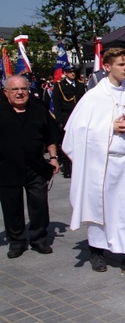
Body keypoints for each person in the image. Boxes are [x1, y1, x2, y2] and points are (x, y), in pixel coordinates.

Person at [62, 48, 125, 276]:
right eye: (120, 64)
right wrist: (110, 127)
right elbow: (76, 131)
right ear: (107, 67)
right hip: (104, 163)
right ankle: (97, 251)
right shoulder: (94, 97)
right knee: (102, 208)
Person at [0, 75, 60, 258]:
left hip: (35, 166)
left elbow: (50, 136)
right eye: (15, 90)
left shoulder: (39, 110)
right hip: (6, 167)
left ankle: (39, 239)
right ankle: (17, 242)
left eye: (23, 89)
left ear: (28, 89)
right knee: (11, 206)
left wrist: (54, 157)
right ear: (6, 93)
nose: (20, 93)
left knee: (39, 204)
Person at [52, 65, 86, 178]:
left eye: (74, 72)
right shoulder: (60, 86)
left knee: (79, 142)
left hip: (79, 117)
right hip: (66, 117)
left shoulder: (80, 85)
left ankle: (77, 165)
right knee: (66, 143)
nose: (73, 74)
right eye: (70, 72)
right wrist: (59, 121)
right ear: (65, 73)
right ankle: (67, 168)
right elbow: (57, 105)